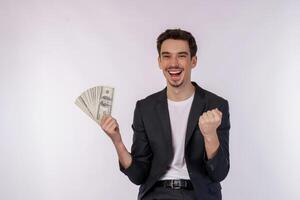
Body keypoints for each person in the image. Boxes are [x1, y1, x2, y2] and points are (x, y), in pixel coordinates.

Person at [100, 29, 230, 200]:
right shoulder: (145, 108)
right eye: (167, 56)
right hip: (156, 194)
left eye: (181, 56)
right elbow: (138, 176)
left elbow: (219, 174)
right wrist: (116, 141)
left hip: (200, 195)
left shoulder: (216, 105)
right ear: (160, 62)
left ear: (193, 61)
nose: (173, 63)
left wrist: (210, 135)